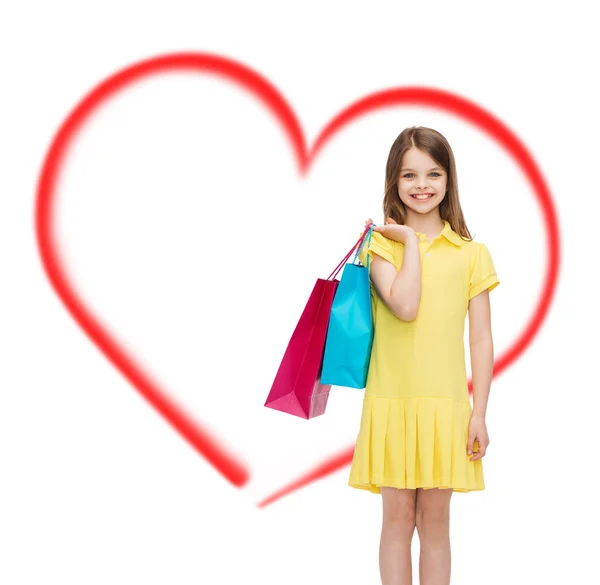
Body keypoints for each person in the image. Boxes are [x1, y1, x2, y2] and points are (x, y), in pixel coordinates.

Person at [347, 126, 500, 585]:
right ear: (393, 180)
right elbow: (406, 305)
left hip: (445, 405)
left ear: (449, 180)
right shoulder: (378, 245)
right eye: (409, 174)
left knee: (435, 523)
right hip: (392, 401)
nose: (422, 185)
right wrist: (409, 241)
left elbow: (481, 339)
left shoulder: (472, 254)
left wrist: (480, 413)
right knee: (397, 521)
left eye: (434, 173)